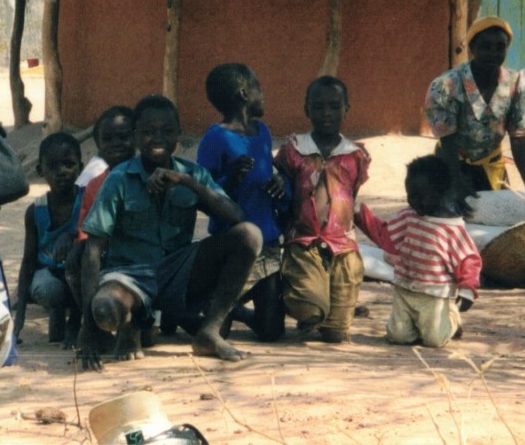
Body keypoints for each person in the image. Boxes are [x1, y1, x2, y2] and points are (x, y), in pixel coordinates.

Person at [77, 95, 261, 369]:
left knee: (249, 235)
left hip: (179, 272)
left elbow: (236, 216)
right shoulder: (118, 179)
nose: (157, 139)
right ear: (136, 136)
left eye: (166, 131)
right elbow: (93, 249)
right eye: (148, 132)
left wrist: (187, 183)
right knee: (105, 309)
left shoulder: (191, 174)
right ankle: (130, 324)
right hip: (129, 275)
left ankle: (209, 332)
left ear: (178, 135)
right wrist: (88, 327)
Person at [197, 63, 289, 342]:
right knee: (218, 330)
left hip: (269, 242)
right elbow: (202, 194)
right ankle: (223, 305)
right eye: (258, 87)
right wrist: (230, 179)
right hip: (235, 243)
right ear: (243, 93)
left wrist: (280, 181)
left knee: (272, 330)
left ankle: (239, 310)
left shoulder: (262, 132)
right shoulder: (215, 138)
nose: (264, 94)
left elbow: (269, 171)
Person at [274, 76, 370, 343]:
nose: (326, 113)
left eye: (334, 106)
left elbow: (352, 193)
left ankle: (328, 310)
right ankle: (295, 303)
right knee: (311, 309)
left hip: (343, 246)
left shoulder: (356, 155)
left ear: (346, 109)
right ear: (307, 110)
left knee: (336, 334)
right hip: (304, 241)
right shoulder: (294, 149)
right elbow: (279, 181)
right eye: (318, 107)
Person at [424, 16, 525, 208]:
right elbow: (448, 141)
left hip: (491, 169)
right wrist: (456, 184)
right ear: (472, 49)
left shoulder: (514, 83)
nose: (493, 53)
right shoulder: (447, 86)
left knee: (498, 227)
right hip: (451, 168)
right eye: (485, 46)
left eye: (500, 47)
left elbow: (519, 137)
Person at [357, 156, 481, 348]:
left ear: (441, 193)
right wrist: (360, 216)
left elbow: (468, 260)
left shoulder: (452, 229)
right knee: (398, 336)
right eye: (409, 195)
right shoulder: (409, 216)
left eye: (419, 195)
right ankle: (416, 325)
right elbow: (386, 234)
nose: (412, 201)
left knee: (434, 340)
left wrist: (467, 290)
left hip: (434, 294)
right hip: (405, 287)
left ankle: (452, 320)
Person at [64, 106, 135, 333]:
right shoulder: (95, 184)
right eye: (107, 139)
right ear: (98, 146)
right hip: (106, 254)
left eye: (123, 137)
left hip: (140, 256)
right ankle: (90, 319)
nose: (116, 144)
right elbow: (85, 228)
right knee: (77, 255)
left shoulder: (147, 177)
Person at [16, 132, 84, 347]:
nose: (61, 172)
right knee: (45, 288)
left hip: (83, 273)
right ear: (39, 170)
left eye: (68, 164)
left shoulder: (87, 201)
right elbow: (28, 262)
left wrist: (72, 235)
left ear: (80, 167)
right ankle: (56, 311)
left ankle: (75, 321)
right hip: (52, 276)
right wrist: (19, 320)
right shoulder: (36, 211)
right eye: (52, 166)